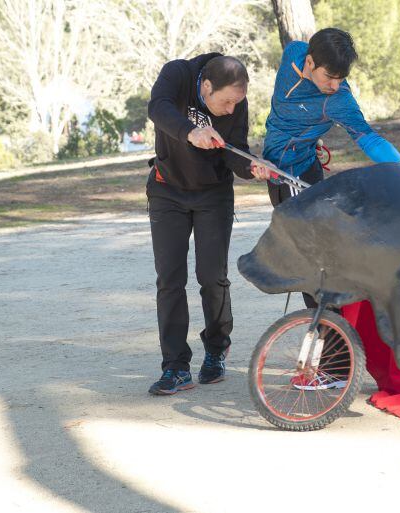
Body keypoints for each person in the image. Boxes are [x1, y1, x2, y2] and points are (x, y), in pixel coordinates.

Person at [261, 28, 400, 390]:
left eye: (341, 79)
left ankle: (334, 365)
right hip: (278, 176)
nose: (334, 85)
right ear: (309, 62)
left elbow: (372, 141)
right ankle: (337, 361)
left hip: (305, 174)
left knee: (322, 269)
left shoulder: (339, 99)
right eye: (329, 77)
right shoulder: (293, 52)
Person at [146, 54, 269, 395]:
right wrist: (191, 132)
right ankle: (175, 366)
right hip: (167, 190)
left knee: (211, 277)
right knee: (170, 279)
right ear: (205, 87)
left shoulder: (235, 107)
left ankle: (216, 351)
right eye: (227, 101)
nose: (231, 109)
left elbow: (235, 151)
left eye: (237, 103)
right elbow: (158, 108)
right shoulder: (178, 74)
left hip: (213, 195)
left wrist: (252, 168)